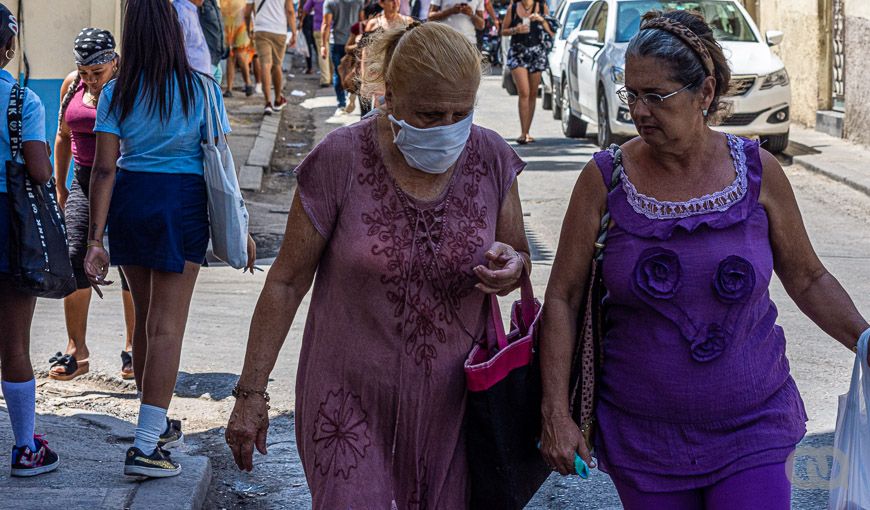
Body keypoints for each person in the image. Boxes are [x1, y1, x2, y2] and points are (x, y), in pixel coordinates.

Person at [539, 10, 870, 508]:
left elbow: (808, 277)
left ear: (706, 93)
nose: (639, 111)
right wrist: (555, 412)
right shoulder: (604, 180)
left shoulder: (758, 171)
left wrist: (863, 338)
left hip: (754, 427)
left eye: (657, 96)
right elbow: (562, 297)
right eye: (632, 94)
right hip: (642, 438)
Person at [225, 22, 529, 508]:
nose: (448, 127)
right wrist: (250, 395)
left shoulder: (491, 156)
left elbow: (517, 256)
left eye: (461, 113)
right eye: (429, 113)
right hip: (346, 403)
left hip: (457, 407)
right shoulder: (339, 159)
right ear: (388, 94)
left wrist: (512, 265)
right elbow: (285, 282)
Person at [85, 0, 255, 478]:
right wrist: (238, 226)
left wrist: (95, 238)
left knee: (144, 322)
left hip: (130, 200)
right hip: (180, 202)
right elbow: (220, 162)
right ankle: (144, 446)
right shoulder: (202, 89)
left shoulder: (116, 91)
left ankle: (153, 425)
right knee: (167, 327)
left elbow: (102, 169)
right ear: (177, 33)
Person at [51, 28, 136, 382]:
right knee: (74, 257)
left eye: (96, 74)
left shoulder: (129, 88)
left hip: (123, 180)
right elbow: (62, 135)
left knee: (130, 263)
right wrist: (60, 186)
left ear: (113, 62)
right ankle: (77, 350)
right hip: (84, 180)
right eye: (84, 73)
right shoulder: (72, 85)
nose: (90, 81)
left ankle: (134, 348)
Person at [0, 3, 61, 477]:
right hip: (10, 227)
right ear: (9, 47)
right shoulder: (23, 101)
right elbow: (39, 171)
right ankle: (25, 448)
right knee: (14, 341)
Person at [501, 0, 553, 144]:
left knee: (533, 93)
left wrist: (542, 20)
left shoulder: (542, 8)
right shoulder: (512, 9)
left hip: (536, 53)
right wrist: (515, 30)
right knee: (524, 92)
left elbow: (552, 32)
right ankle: (523, 133)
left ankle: (527, 131)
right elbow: (503, 31)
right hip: (518, 52)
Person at [245, 0, 297, 115]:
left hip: (261, 29)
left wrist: (249, 28)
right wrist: (294, 32)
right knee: (277, 65)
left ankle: (267, 102)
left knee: (265, 64)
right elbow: (290, 11)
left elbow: (247, 12)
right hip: (279, 30)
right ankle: (278, 100)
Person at [321, 0, 364, 114]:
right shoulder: (359, 2)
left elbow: (326, 24)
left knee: (338, 72)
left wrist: (322, 45)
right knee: (354, 71)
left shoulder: (330, 2)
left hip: (336, 42)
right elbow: (362, 22)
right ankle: (351, 92)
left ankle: (341, 103)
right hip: (354, 43)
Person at [221, 0, 255, 97]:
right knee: (230, 55)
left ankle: (248, 83)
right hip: (228, 22)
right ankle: (229, 89)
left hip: (242, 23)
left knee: (240, 54)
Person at [174, 0, 213, 74]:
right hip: (192, 79)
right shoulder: (181, 13)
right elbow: (178, 53)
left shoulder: (190, 10)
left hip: (200, 77)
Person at [300, 0, 331, 87]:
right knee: (331, 53)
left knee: (323, 54)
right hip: (332, 28)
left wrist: (301, 21)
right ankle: (332, 77)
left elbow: (305, 9)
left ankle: (325, 79)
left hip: (319, 28)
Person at [199, 0, 228, 82]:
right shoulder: (199, 4)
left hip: (216, 55)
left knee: (217, 78)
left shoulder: (213, 3)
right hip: (206, 57)